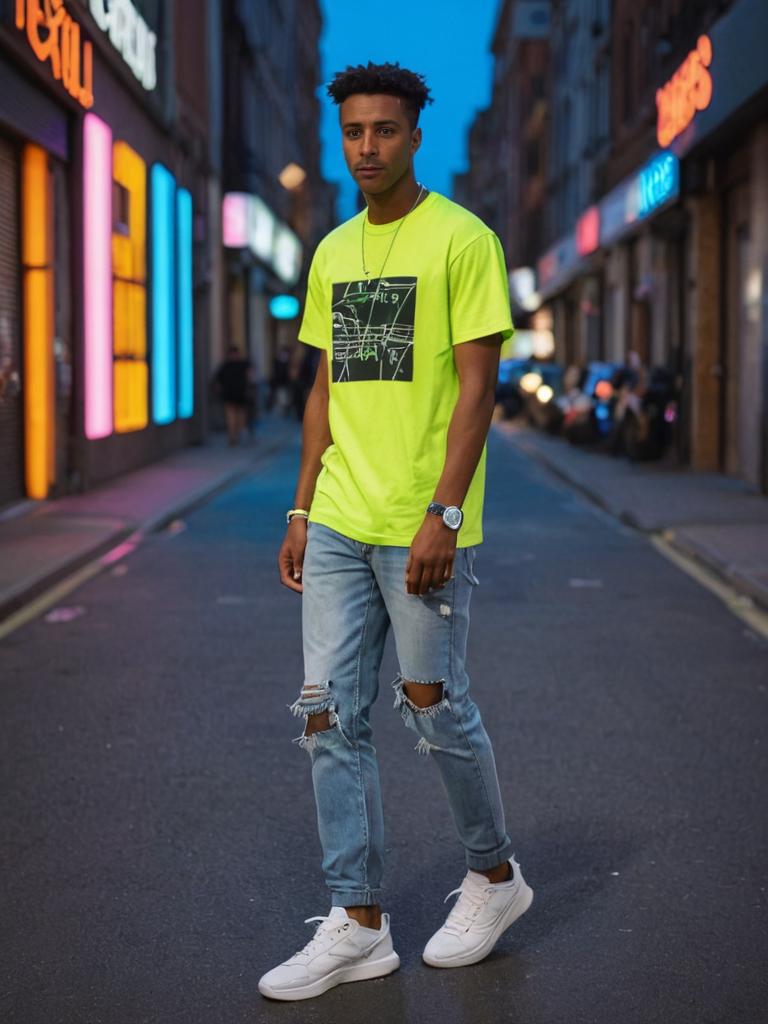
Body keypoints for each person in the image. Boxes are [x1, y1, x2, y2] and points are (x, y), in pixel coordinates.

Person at [260, 62, 533, 1003]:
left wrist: (445, 512)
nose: (366, 147)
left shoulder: (464, 240)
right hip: (338, 517)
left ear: (417, 135)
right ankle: (360, 921)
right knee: (328, 713)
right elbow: (324, 391)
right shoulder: (332, 251)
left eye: (383, 130)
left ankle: (495, 879)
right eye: (353, 132)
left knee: (432, 703)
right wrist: (300, 506)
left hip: (419, 523)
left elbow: (477, 386)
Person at [214, 345, 253, 445]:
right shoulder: (242, 364)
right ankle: (235, 434)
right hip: (237, 392)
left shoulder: (226, 365)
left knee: (232, 414)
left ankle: (233, 435)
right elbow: (249, 377)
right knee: (237, 414)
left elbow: (217, 380)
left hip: (232, 393)